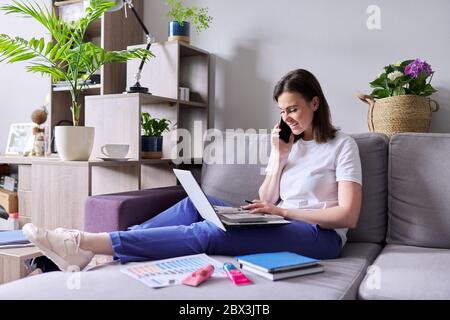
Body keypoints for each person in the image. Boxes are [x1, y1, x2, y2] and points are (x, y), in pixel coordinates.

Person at [23, 69, 362, 272]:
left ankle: (85, 243)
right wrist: (280, 157)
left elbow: (348, 216)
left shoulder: (342, 146)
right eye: (282, 111)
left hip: (322, 237)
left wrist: (281, 210)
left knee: (213, 233)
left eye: (294, 109)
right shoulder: (289, 145)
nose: (288, 117)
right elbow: (265, 198)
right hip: (282, 220)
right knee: (192, 205)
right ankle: (107, 246)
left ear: (315, 103)